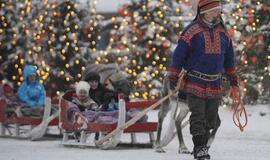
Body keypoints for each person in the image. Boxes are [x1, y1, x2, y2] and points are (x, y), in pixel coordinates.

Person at [168, 0, 239, 159]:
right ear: (205, 12)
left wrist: (232, 76)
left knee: (211, 119)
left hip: (215, 82)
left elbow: (229, 57)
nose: (217, 13)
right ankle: (200, 148)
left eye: (218, 10)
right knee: (197, 116)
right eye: (214, 10)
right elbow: (178, 55)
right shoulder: (191, 31)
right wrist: (173, 74)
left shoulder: (223, 33)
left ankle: (201, 147)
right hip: (194, 81)